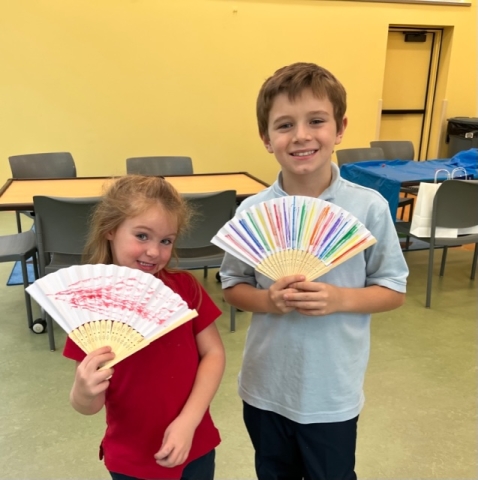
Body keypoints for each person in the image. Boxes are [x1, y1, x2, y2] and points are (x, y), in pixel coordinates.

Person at [220, 62, 409, 480]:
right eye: (284, 125)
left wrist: (340, 298)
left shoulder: (368, 207)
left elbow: (393, 289)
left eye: (316, 121)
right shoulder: (252, 211)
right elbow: (232, 286)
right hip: (266, 387)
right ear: (266, 139)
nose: (302, 135)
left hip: (331, 391)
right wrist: (268, 300)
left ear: (340, 129)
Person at [64, 175, 226, 480]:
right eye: (142, 236)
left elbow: (214, 354)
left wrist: (188, 422)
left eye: (166, 241)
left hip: (194, 443)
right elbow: (89, 405)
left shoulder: (186, 289)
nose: (154, 251)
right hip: (131, 458)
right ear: (110, 230)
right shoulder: (87, 306)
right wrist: (82, 392)